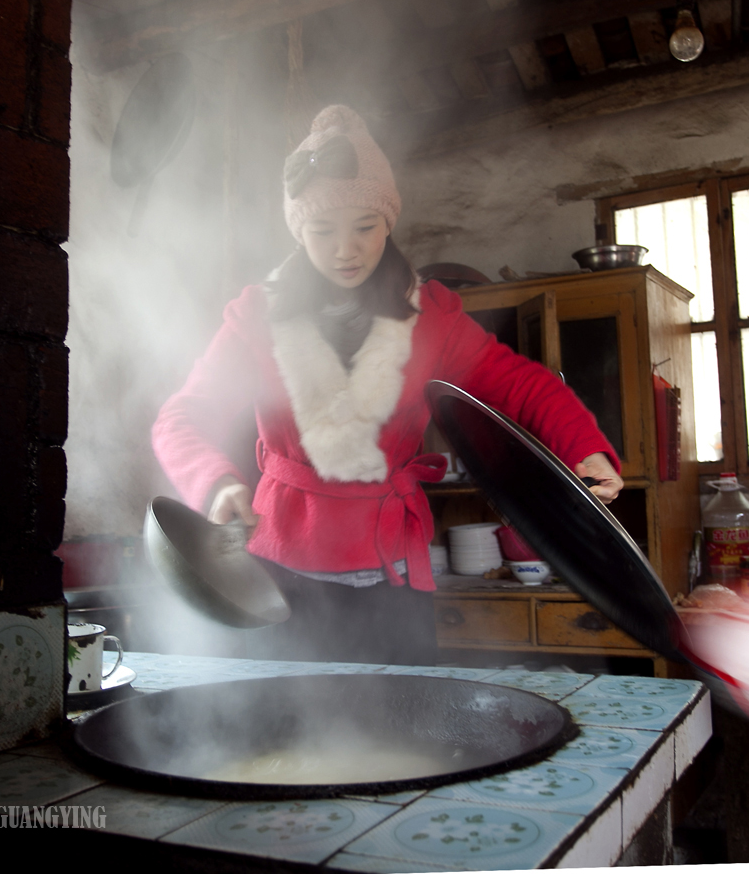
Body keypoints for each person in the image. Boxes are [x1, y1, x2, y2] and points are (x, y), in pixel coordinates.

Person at [152, 105, 622, 666]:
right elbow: (182, 416)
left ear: (389, 223)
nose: (345, 249)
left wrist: (585, 449)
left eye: (365, 227)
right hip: (280, 572)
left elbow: (523, 385)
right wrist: (215, 486)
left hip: (392, 571)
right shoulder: (258, 317)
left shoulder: (432, 318)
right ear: (299, 229)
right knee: (292, 735)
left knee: (400, 728)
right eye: (322, 230)